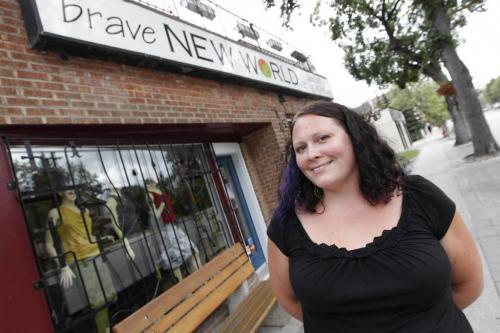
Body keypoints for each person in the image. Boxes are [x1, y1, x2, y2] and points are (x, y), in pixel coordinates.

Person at [267, 101, 483, 332]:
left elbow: (469, 284)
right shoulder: (285, 225)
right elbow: (290, 301)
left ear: (355, 138)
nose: (312, 154)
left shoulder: (420, 196)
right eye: (301, 148)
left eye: (323, 138)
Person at [46, 189, 116, 333]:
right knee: (98, 304)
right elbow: (49, 244)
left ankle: (106, 329)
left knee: (109, 298)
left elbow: (86, 236)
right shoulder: (55, 213)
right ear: (59, 192)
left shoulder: (82, 211)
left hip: (97, 256)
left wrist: (102, 239)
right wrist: (62, 266)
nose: (71, 190)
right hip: (81, 261)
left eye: (72, 187)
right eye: (66, 188)